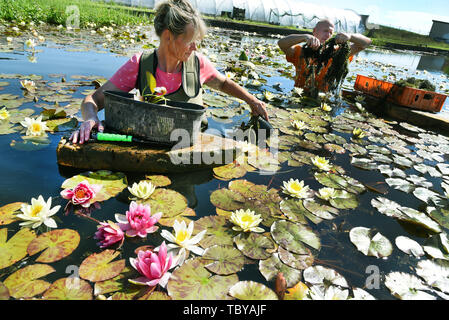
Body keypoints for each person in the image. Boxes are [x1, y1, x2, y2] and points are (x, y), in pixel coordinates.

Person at [70, 0, 268, 144]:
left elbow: (223, 83)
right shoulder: (140, 64)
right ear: (168, 37)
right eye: (190, 42)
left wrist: (252, 100)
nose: (195, 48)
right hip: (148, 145)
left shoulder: (198, 64)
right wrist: (90, 118)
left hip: (188, 150)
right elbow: (92, 100)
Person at [278, 19, 371, 94]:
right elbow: (282, 43)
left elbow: (366, 43)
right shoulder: (300, 52)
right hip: (299, 95)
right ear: (314, 31)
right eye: (325, 31)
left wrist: (350, 36)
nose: (328, 35)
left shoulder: (338, 53)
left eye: (331, 32)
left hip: (323, 99)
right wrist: (304, 36)